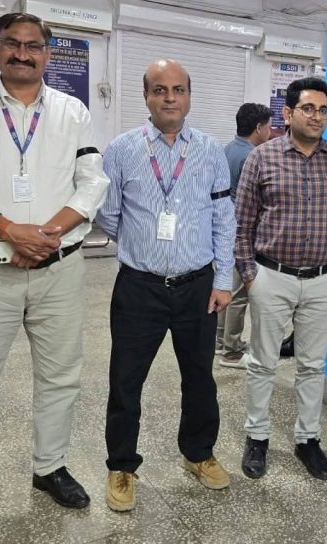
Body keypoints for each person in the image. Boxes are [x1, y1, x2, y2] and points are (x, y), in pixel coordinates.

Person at [0, 12, 109, 542]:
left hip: (60, 269)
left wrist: (48, 234)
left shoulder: (72, 111)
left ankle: (49, 467)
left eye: (33, 45)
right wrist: (13, 231)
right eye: (12, 43)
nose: (22, 53)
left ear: (47, 53)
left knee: (60, 378)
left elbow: (92, 181)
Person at [96, 58, 235, 513]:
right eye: (160, 90)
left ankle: (198, 453)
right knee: (126, 380)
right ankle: (121, 465)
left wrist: (223, 279)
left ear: (189, 96)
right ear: (146, 96)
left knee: (200, 378)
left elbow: (223, 219)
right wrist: (143, 243)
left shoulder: (211, 151)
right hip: (139, 287)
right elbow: (108, 214)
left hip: (198, 287)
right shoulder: (121, 150)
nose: (169, 98)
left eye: (178, 90)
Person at [234, 76, 327, 481]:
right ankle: (257, 437)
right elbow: (242, 223)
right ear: (289, 113)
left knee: (312, 365)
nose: (317, 116)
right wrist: (251, 276)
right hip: (271, 277)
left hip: (325, 281)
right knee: (263, 363)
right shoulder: (262, 158)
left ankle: (308, 439)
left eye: (323, 110)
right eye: (308, 108)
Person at [217, 102, 272, 369]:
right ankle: (232, 351)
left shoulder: (228, 149)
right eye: (269, 126)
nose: (271, 132)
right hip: (241, 232)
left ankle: (220, 340)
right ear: (259, 127)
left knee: (224, 287)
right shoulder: (253, 156)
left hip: (224, 230)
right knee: (239, 294)